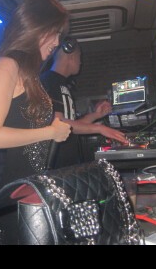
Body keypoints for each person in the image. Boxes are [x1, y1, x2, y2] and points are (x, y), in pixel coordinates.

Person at [0, 0, 72, 186]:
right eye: (55, 33)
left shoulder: (32, 75)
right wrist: (50, 132)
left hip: (36, 186)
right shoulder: (7, 65)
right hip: (21, 190)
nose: (57, 42)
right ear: (37, 27)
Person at [40, 36, 128, 169]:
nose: (80, 62)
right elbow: (59, 122)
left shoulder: (62, 84)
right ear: (71, 57)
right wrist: (99, 128)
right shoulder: (48, 82)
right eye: (79, 57)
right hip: (56, 165)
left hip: (68, 162)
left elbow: (73, 125)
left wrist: (96, 115)